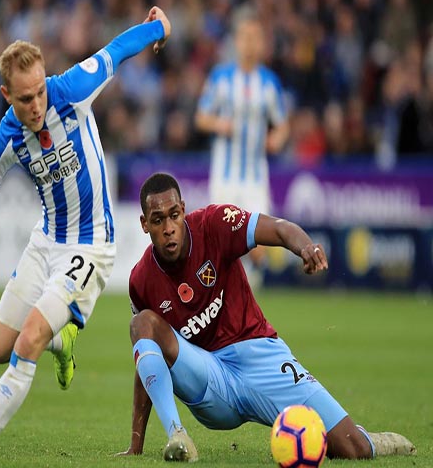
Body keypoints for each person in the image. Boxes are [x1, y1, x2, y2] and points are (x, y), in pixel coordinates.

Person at [0, 6, 171, 468]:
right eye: (25, 99)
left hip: (91, 245)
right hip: (46, 241)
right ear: (6, 95)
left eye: (40, 91)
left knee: (25, 343)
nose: (37, 105)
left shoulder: (71, 90)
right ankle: (63, 342)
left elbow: (116, 51)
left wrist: (159, 28)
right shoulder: (5, 139)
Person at [118, 172, 416, 462]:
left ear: (183, 210)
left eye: (174, 215)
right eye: (158, 220)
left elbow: (278, 228)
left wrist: (305, 247)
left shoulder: (215, 223)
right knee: (142, 323)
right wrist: (136, 444)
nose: (169, 227)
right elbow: (146, 356)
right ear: (145, 224)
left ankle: (372, 440)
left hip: (260, 356)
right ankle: (177, 436)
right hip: (210, 378)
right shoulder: (141, 280)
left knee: (352, 449)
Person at [194, 8, 290, 289]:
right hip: (225, 176)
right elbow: (200, 117)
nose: (249, 43)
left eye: (255, 38)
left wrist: (277, 140)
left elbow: (282, 125)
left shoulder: (269, 83)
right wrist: (219, 124)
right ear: (236, 42)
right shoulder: (221, 78)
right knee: (222, 243)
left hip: (255, 177)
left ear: (261, 43)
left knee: (259, 246)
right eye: (245, 37)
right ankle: (223, 302)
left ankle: (249, 300)